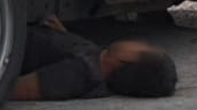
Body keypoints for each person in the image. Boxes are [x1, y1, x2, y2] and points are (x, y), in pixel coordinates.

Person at [11, 16, 178, 101]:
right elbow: (79, 50)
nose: (139, 41)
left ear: (129, 59)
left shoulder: (77, 75)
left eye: (143, 46)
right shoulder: (100, 59)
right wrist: (62, 34)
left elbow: (13, 90)